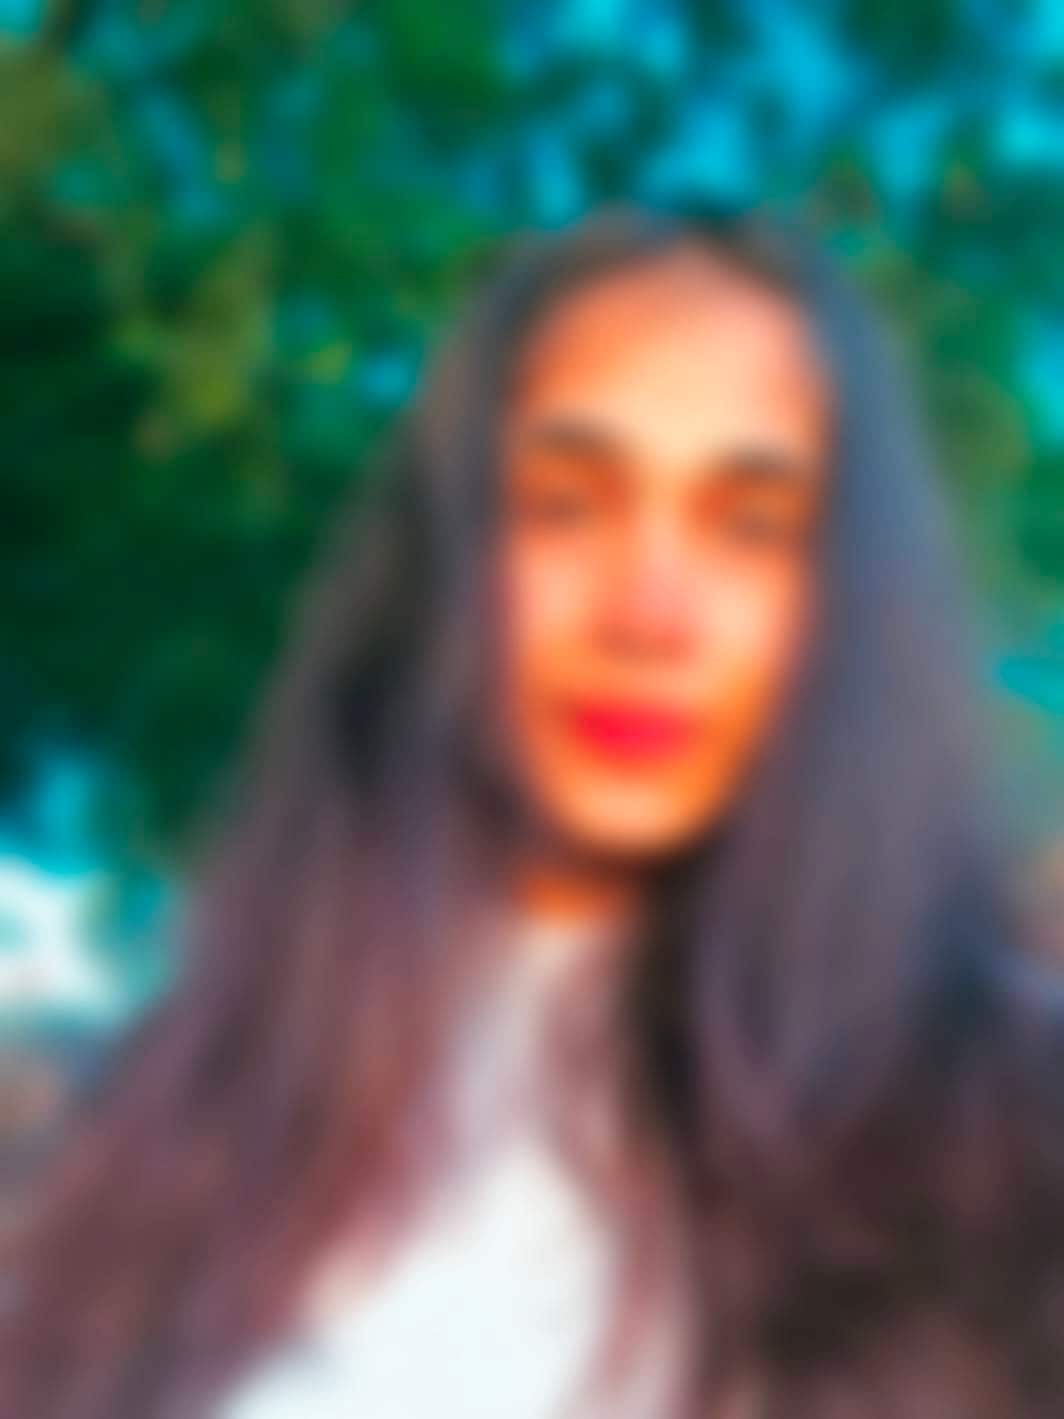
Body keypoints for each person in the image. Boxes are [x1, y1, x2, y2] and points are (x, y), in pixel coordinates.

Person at [3, 199, 1064, 1419]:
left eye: (751, 527)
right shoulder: (164, 1128)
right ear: (443, 567)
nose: (647, 613)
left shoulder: (1004, 1150)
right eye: (563, 503)